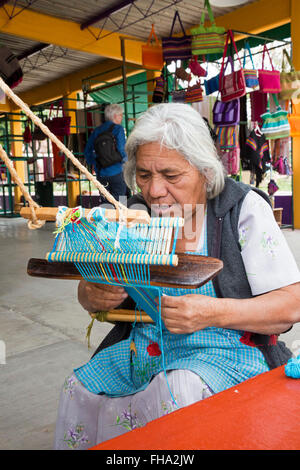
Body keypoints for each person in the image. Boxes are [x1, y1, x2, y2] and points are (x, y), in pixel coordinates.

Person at [54, 103, 300, 450]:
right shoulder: (136, 215)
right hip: (148, 347)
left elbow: (292, 305)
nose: (155, 190)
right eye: (144, 175)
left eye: (171, 176)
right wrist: (91, 295)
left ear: (204, 170)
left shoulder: (242, 209)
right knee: (78, 388)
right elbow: (92, 292)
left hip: (229, 352)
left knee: (179, 388)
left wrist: (212, 313)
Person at [84, 103, 128, 202]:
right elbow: (122, 149)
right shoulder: (118, 129)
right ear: (115, 116)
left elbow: (87, 151)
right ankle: (120, 218)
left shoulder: (96, 131)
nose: (122, 118)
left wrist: (97, 163)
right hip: (117, 172)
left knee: (105, 202)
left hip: (101, 174)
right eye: (121, 115)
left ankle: (106, 217)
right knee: (120, 202)